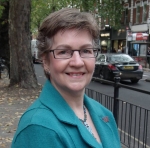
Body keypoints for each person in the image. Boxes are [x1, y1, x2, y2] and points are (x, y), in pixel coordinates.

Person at [11, 8, 121, 148]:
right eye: (63, 52)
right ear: (45, 61)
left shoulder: (105, 115)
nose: (77, 62)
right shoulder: (38, 127)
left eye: (86, 51)